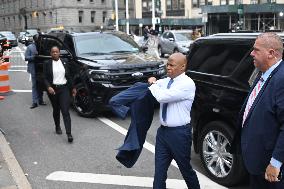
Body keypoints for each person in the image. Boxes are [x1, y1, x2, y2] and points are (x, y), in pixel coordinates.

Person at [148, 53, 200, 189]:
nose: (168, 67)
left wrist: (153, 83)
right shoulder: (167, 81)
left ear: (182, 67)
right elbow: (157, 86)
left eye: (172, 65)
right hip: (163, 133)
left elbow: (161, 96)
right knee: (159, 172)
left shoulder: (187, 83)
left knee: (186, 170)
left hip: (179, 134)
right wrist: (155, 83)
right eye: (167, 64)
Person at [239, 33, 284, 189]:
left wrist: (275, 162)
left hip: (270, 168)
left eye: (256, 50)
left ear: (271, 53)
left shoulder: (281, 79)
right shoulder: (264, 71)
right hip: (256, 161)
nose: (251, 53)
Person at [43, 46, 76, 143]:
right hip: (53, 90)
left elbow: (69, 76)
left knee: (65, 111)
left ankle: (69, 133)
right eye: (53, 52)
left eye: (56, 52)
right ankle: (57, 126)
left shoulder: (65, 61)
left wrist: (73, 88)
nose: (55, 53)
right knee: (56, 110)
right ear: (50, 53)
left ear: (59, 53)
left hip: (64, 89)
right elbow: (44, 77)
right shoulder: (47, 63)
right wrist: (48, 87)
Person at [25, 35, 46, 109]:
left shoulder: (42, 46)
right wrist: (33, 57)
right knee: (34, 85)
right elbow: (26, 57)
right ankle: (34, 102)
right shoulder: (30, 47)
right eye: (38, 39)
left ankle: (41, 100)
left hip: (41, 69)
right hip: (34, 69)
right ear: (34, 39)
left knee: (41, 85)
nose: (39, 40)